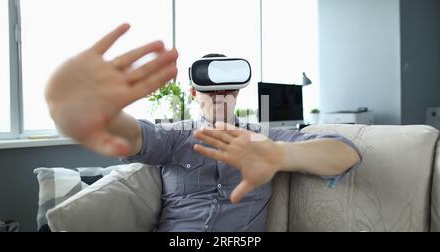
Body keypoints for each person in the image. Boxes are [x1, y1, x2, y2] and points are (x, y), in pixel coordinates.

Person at [45, 24, 361, 232]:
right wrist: (100, 112)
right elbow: (133, 135)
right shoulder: (173, 137)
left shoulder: (263, 138)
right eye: (210, 89)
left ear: (238, 91)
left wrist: (280, 155)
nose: (220, 96)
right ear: (195, 93)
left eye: (228, 89)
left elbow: (345, 154)